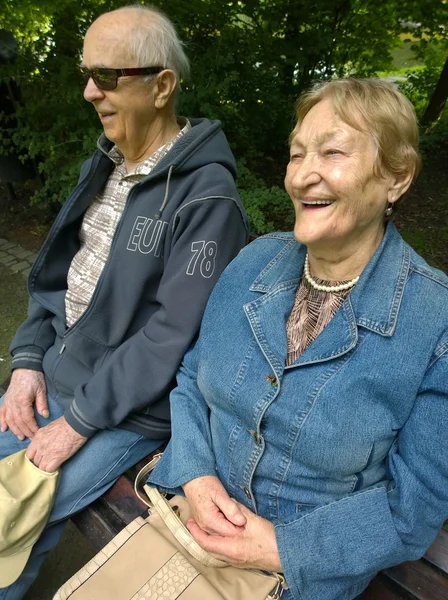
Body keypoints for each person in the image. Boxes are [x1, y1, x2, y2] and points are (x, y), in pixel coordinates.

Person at [149, 78, 448, 600]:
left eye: (332, 152)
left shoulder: (436, 322)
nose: (303, 175)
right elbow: (192, 376)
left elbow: (414, 504)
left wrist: (284, 547)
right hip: (188, 525)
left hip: (308, 575)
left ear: (397, 177)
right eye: (296, 155)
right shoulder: (253, 261)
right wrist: (196, 476)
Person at [0, 4, 248, 597]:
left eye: (108, 76)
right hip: (58, 374)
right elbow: (62, 272)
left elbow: (172, 336)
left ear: (161, 85)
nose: (89, 91)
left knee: (12, 527)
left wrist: (77, 423)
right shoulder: (109, 162)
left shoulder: (207, 200)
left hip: (124, 411)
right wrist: (28, 359)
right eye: (87, 74)